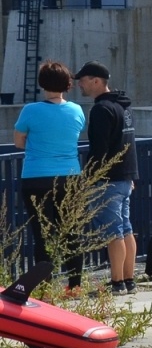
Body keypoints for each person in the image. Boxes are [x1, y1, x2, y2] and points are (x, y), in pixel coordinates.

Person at [14, 60, 87, 287]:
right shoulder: (76, 110)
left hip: (36, 177)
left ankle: (45, 287)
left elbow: (18, 142)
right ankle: (75, 286)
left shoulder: (31, 110)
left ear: (42, 83)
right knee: (72, 232)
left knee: (42, 234)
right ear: (67, 83)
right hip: (70, 177)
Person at [76, 62, 139, 294]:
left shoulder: (101, 110)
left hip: (108, 180)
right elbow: (129, 143)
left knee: (113, 233)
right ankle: (129, 280)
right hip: (125, 177)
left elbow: (98, 149)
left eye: (83, 80)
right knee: (126, 229)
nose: (80, 85)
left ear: (96, 81)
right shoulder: (124, 107)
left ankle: (117, 283)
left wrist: (89, 178)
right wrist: (131, 175)